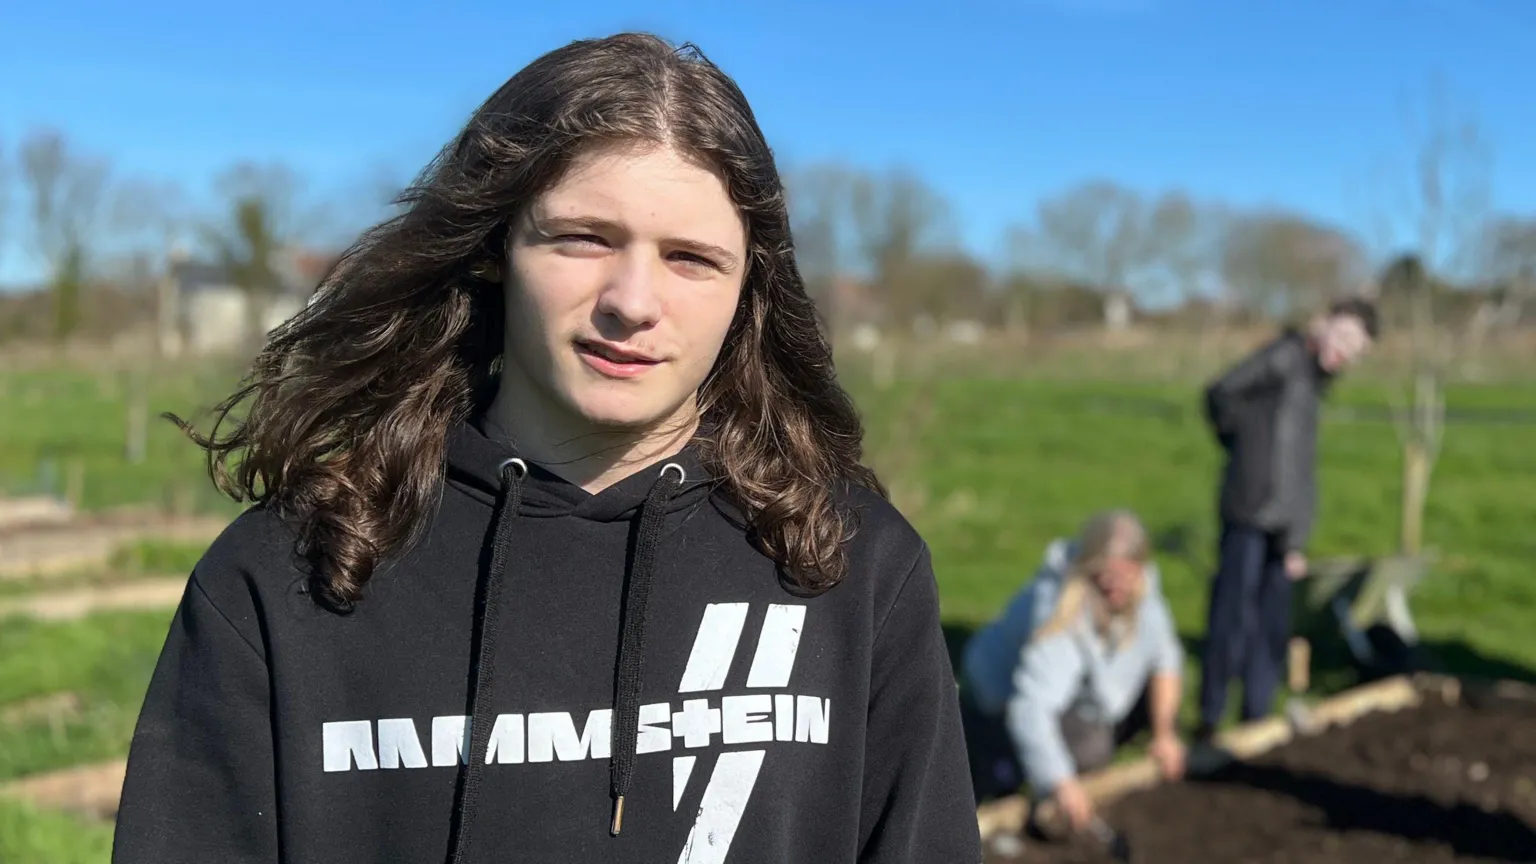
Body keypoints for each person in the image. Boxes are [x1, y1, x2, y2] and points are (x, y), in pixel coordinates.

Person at [111, 33, 981, 864]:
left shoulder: (851, 568)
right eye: (585, 238)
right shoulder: (293, 572)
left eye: (691, 258)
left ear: (748, 285)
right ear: (496, 247)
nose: (632, 302)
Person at [1196, 297, 1378, 737]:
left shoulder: (1313, 378)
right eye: (1344, 337)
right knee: (1232, 617)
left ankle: (1255, 717)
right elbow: (1220, 393)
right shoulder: (1283, 358)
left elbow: (1297, 462)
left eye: (1356, 349)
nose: (1345, 351)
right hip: (1251, 511)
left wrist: (1296, 537)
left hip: (1283, 525)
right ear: (1324, 324)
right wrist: (1243, 450)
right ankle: (1211, 717)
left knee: (1272, 626)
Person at [959, 510, 1186, 835]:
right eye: (1107, 575)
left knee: (1103, 736)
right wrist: (1060, 781)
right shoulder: (1061, 611)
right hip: (996, 697)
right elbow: (1030, 706)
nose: (1117, 586)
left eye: (1127, 575)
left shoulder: (1143, 590)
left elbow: (1165, 658)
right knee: (1068, 756)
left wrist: (1165, 735)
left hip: (1075, 695)